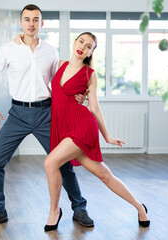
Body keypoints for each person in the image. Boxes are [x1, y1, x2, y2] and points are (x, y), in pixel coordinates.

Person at [0, 4, 94, 229]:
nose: (31, 24)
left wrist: (80, 97)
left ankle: (79, 208)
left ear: (42, 24)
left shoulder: (50, 51)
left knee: (63, 163)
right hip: (18, 114)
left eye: (35, 20)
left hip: (46, 113)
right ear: (21, 23)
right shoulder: (8, 49)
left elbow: (60, 81)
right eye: (27, 19)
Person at [43, 32, 150, 231]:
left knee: (50, 163)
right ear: (74, 42)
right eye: (81, 41)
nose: (83, 46)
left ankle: (54, 211)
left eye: (89, 46)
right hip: (62, 126)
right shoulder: (60, 64)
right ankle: (140, 207)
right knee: (104, 175)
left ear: (91, 52)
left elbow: (95, 108)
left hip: (81, 126)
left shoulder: (89, 75)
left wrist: (107, 136)